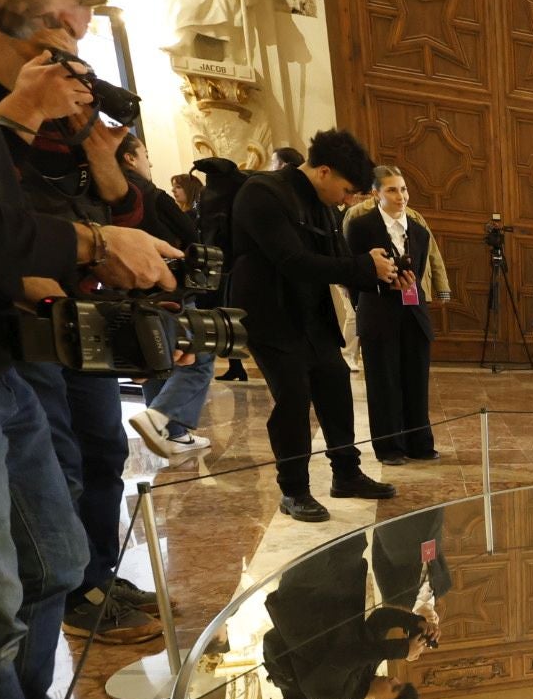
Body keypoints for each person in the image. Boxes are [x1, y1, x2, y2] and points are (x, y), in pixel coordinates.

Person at [0, 0, 182, 699]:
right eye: (66, 7)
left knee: (51, 557)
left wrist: (19, 116)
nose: (77, 24)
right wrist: (91, 245)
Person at [0, 6, 171, 643]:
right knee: (58, 460)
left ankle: (97, 570)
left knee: (104, 447)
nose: (77, 79)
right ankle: (78, 589)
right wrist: (27, 110)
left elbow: (129, 214)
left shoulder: (77, 138)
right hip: (25, 314)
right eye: (60, 38)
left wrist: (97, 147)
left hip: (88, 310)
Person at [230, 127, 402, 523]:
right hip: (270, 316)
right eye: (346, 190)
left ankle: (346, 474)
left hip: (312, 316)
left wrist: (386, 274)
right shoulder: (263, 193)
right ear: (324, 171)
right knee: (293, 398)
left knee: (335, 387)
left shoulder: (323, 204)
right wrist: (361, 266)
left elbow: (338, 260)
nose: (346, 201)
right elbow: (293, 261)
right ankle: (294, 490)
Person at [261, 532, 429, 699]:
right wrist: (415, 623)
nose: (395, 680)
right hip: (341, 579)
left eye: (395, 688)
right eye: (400, 683)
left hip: (306, 593)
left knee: (308, 532)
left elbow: (346, 656)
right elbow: (379, 619)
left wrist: (403, 649)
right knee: (346, 524)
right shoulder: (370, 666)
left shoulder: (329, 696)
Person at [118, 132, 215, 459]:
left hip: (130, 289)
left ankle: (169, 432)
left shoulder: (110, 195)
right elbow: (191, 235)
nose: (150, 160)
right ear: (130, 158)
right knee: (199, 356)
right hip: (168, 285)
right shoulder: (151, 194)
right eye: (145, 153)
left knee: (155, 356)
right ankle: (158, 419)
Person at [343, 165, 440, 465]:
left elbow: (419, 273)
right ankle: (390, 447)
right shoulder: (360, 228)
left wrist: (406, 284)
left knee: (415, 379)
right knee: (383, 382)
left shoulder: (420, 232)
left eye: (404, 189)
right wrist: (380, 285)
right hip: (378, 311)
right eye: (392, 190)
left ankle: (418, 442)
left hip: (413, 312)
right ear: (375, 193)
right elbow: (352, 273)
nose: (401, 196)